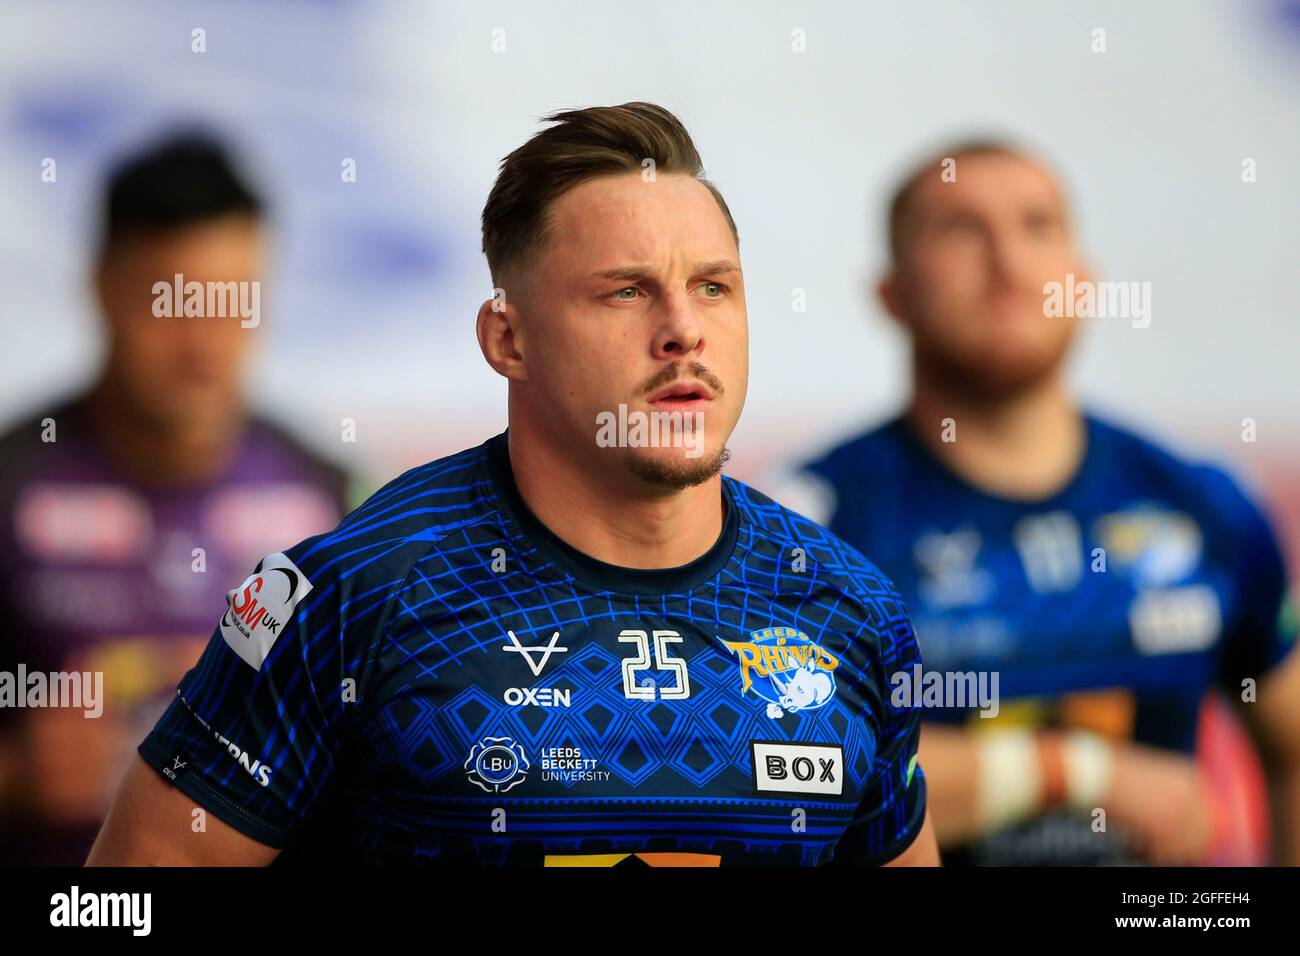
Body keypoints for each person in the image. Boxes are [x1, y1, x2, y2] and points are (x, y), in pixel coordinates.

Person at [87, 103, 938, 866]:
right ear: (509, 339)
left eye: (713, 287)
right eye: (627, 292)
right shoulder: (347, 597)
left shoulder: (849, 609)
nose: (684, 331)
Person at [773, 141, 1299, 865]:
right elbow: (794, 772)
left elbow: (1294, 744)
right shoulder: (812, 528)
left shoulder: (1204, 502)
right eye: (961, 230)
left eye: (1037, 226)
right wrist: (1082, 775)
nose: (1008, 263)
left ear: (1083, 282)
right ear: (891, 294)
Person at [0, 133, 350, 865]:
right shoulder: (12, 482)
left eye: (231, 303)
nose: (203, 346)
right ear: (101, 286)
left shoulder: (329, 496)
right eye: (171, 303)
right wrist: (21, 776)